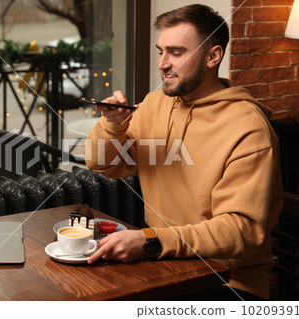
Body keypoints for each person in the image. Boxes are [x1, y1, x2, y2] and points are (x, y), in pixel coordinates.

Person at [84, 4, 283, 301]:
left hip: (229, 282)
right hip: (167, 266)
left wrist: (150, 240)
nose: (163, 63)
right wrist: (112, 126)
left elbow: (241, 232)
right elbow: (106, 165)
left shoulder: (249, 129)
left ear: (213, 56)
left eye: (177, 53)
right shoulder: (157, 102)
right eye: (160, 51)